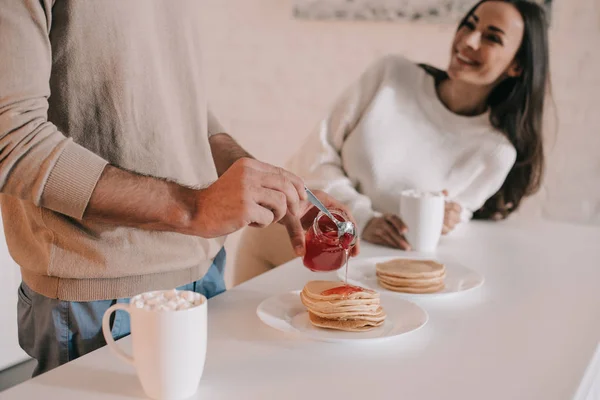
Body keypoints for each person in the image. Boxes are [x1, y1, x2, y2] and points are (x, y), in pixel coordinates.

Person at [0, 1, 358, 376]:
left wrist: (275, 190)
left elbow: (182, 106)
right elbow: (14, 140)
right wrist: (192, 208)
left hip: (205, 273)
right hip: (101, 293)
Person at [234, 0, 550, 286]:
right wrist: (363, 217)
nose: (468, 40)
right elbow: (314, 156)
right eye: (470, 23)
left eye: (492, 37)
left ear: (517, 66)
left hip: (365, 275)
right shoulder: (391, 76)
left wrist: (448, 220)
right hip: (286, 242)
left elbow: (451, 220)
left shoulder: (495, 152)